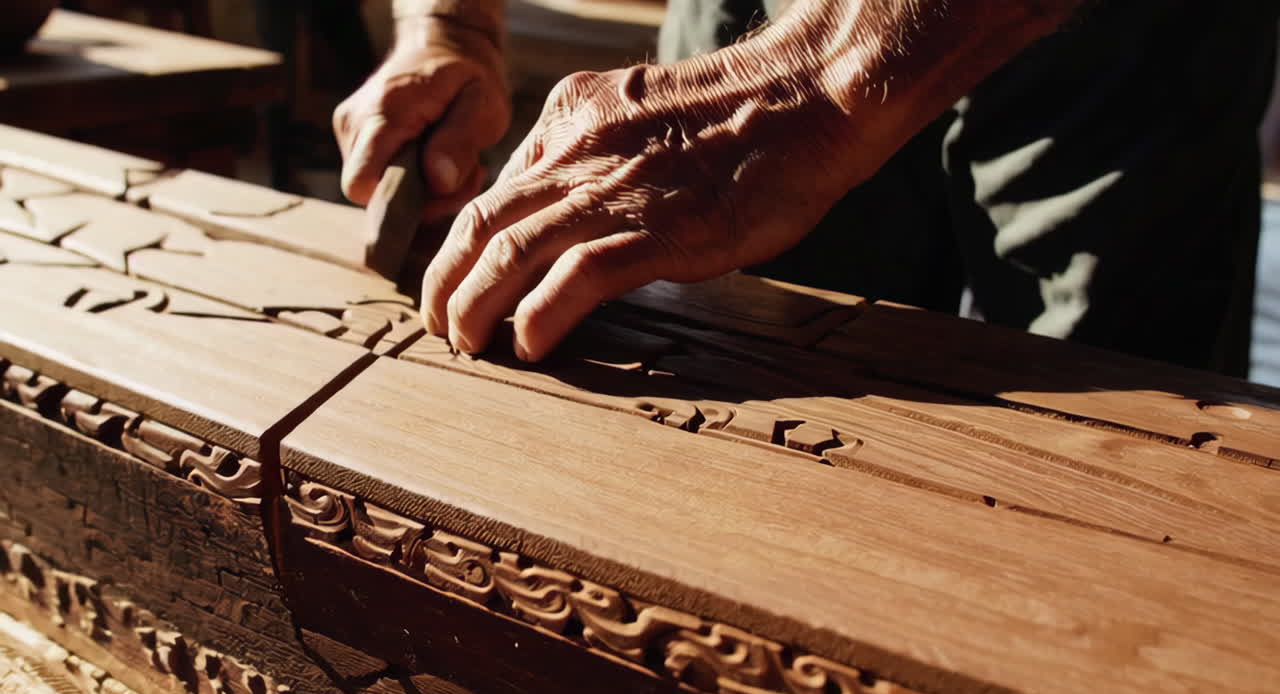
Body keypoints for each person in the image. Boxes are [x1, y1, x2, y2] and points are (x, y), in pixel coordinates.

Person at [333, 0, 1277, 376]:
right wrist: (450, 25)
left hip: (1126, 28)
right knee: (733, 362)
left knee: (1112, 432)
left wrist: (827, 82)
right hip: (769, 13)